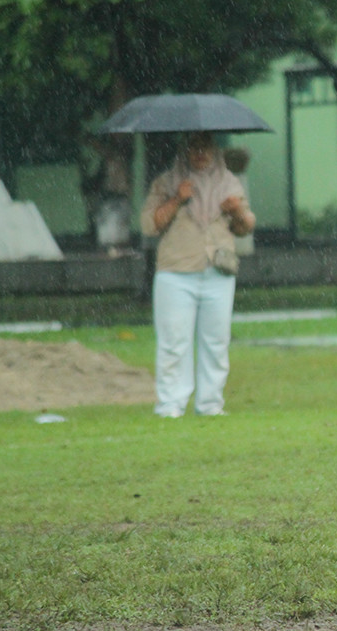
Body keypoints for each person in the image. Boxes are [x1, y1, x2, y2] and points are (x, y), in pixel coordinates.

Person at [140, 132, 256, 418]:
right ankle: (171, 404)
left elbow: (244, 227)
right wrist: (177, 199)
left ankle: (210, 404)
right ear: (185, 152)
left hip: (218, 270)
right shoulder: (167, 182)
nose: (200, 154)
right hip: (176, 271)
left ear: (215, 152)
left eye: (206, 148)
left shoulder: (229, 183)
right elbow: (150, 225)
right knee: (173, 342)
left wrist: (237, 211)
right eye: (194, 148)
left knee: (216, 342)